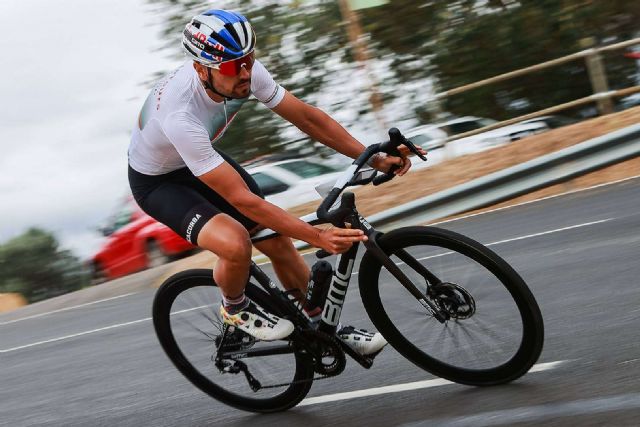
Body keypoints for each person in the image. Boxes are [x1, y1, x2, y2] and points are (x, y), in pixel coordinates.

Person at [128, 9, 421, 355]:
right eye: (233, 66)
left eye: (249, 60)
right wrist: (317, 237)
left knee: (276, 238)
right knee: (236, 243)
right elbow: (243, 201)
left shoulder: (244, 72)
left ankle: (323, 328)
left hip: (197, 159)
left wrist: (374, 158)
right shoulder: (179, 114)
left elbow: (307, 118)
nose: (245, 72)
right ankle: (234, 308)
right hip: (159, 182)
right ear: (201, 69)